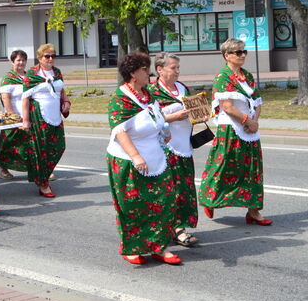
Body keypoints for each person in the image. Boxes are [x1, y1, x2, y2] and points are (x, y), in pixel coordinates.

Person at [106, 52, 181, 266]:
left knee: (164, 201)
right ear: (132, 74)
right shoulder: (119, 99)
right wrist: (136, 156)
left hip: (156, 156)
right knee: (133, 206)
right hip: (128, 160)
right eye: (143, 69)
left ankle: (159, 246)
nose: (147, 73)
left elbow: (157, 117)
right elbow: (120, 132)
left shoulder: (147, 94)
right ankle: (133, 248)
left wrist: (164, 130)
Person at [201, 39, 271, 225]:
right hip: (231, 129)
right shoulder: (223, 76)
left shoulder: (247, 75)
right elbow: (228, 107)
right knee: (224, 167)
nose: (242, 55)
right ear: (227, 56)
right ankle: (211, 199)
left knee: (252, 170)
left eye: (243, 51)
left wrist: (254, 122)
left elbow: (257, 102)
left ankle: (254, 211)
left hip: (249, 129)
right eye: (237, 52)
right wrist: (247, 121)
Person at [150, 53, 199, 247]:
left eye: (178, 67)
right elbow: (150, 118)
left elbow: (193, 109)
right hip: (165, 147)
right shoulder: (152, 91)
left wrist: (199, 112)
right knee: (171, 189)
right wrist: (173, 117)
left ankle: (177, 225)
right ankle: (176, 229)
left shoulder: (182, 88)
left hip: (184, 144)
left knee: (185, 188)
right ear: (160, 70)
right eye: (173, 68)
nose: (177, 71)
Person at [0, 50, 50, 196]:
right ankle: (3, 169)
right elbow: (5, 98)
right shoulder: (8, 78)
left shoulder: (29, 76)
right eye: (18, 60)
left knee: (32, 145)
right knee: (11, 144)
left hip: (29, 115)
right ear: (12, 62)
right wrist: (14, 117)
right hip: (14, 116)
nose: (21, 63)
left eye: (23, 60)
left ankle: (39, 171)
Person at [22, 43, 70, 184]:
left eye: (53, 56)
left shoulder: (57, 72)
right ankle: (43, 182)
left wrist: (66, 101)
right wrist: (25, 120)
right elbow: (25, 98)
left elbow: (61, 90)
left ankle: (46, 172)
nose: (50, 59)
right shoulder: (32, 74)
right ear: (39, 58)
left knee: (59, 146)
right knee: (41, 149)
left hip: (55, 116)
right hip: (39, 117)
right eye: (47, 56)